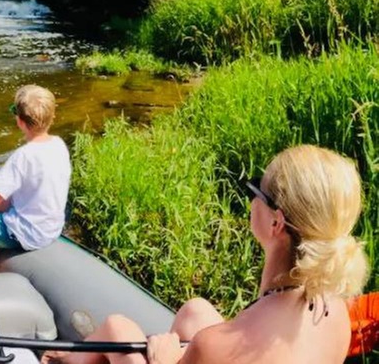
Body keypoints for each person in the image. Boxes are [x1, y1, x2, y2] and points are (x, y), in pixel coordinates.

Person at [46, 145, 369, 364]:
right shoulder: (336, 312)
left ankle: (65, 359)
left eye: (257, 189)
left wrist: (165, 360)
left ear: (276, 222)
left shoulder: (214, 347)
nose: (252, 198)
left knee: (118, 328)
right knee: (196, 311)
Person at [0, 85, 71, 252]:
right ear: (52, 117)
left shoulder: (23, 156)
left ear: (20, 122)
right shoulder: (58, 144)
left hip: (27, 232)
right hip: (50, 224)